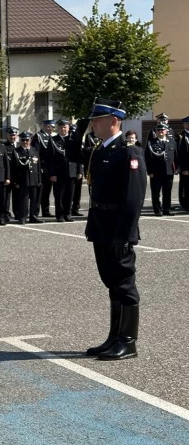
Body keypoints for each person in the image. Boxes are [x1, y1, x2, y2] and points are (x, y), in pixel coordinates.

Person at [69, 98, 146, 360]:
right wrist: (78, 130)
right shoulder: (99, 150)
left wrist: (124, 235)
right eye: (91, 121)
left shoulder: (129, 152)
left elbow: (133, 199)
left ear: (114, 121)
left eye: (97, 120)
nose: (93, 125)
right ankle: (114, 337)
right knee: (112, 284)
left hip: (117, 228)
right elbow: (71, 154)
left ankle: (128, 341)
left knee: (124, 285)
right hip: (101, 227)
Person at [48, 119, 82, 222]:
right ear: (58, 128)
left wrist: (79, 171)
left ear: (68, 128)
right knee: (59, 195)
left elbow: (79, 156)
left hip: (72, 171)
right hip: (59, 172)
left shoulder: (73, 140)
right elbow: (50, 158)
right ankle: (60, 215)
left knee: (70, 194)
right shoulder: (53, 140)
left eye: (65, 127)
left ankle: (68, 214)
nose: (63, 129)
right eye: (61, 127)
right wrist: (52, 173)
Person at [145, 122, 177, 216]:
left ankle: (166, 209)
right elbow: (147, 158)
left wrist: (177, 168)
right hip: (156, 172)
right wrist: (150, 171)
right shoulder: (151, 143)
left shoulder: (172, 142)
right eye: (158, 130)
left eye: (162, 130)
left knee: (167, 192)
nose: (160, 132)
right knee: (156, 193)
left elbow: (176, 156)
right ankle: (157, 210)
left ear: (166, 131)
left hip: (169, 171)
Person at [11, 132, 43, 224]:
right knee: (23, 200)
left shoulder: (34, 150)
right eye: (23, 140)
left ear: (30, 140)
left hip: (34, 179)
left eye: (27, 140)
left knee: (34, 199)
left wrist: (39, 180)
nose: (25, 142)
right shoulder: (17, 152)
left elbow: (38, 166)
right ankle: (23, 217)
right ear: (20, 141)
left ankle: (33, 216)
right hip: (23, 180)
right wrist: (16, 181)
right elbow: (14, 168)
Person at [32, 119, 56, 218]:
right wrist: (38, 167)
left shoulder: (51, 137)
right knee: (39, 192)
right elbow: (36, 152)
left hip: (49, 168)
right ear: (46, 126)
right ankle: (35, 212)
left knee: (47, 191)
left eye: (53, 127)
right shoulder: (39, 136)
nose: (52, 129)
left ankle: (45, 211)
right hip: (41, 168)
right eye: (51, 127)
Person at [2, 126, 20, 220]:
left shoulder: (20, 145)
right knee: (6, 196)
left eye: (14, 135)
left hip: (18, 175)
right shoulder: (3, 146)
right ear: (7, 135)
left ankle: (17, 213)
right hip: (8, 175)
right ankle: (6, 214)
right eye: (10, 135)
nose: (12, 137)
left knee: (17, 195)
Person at [178, 116, 189, 211]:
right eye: (186, 123)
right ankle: (185, 204)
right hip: (186, 167)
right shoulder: (180, 136)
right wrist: (184, 168)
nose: (187, 125)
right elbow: (179, 153)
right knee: (185, 186)